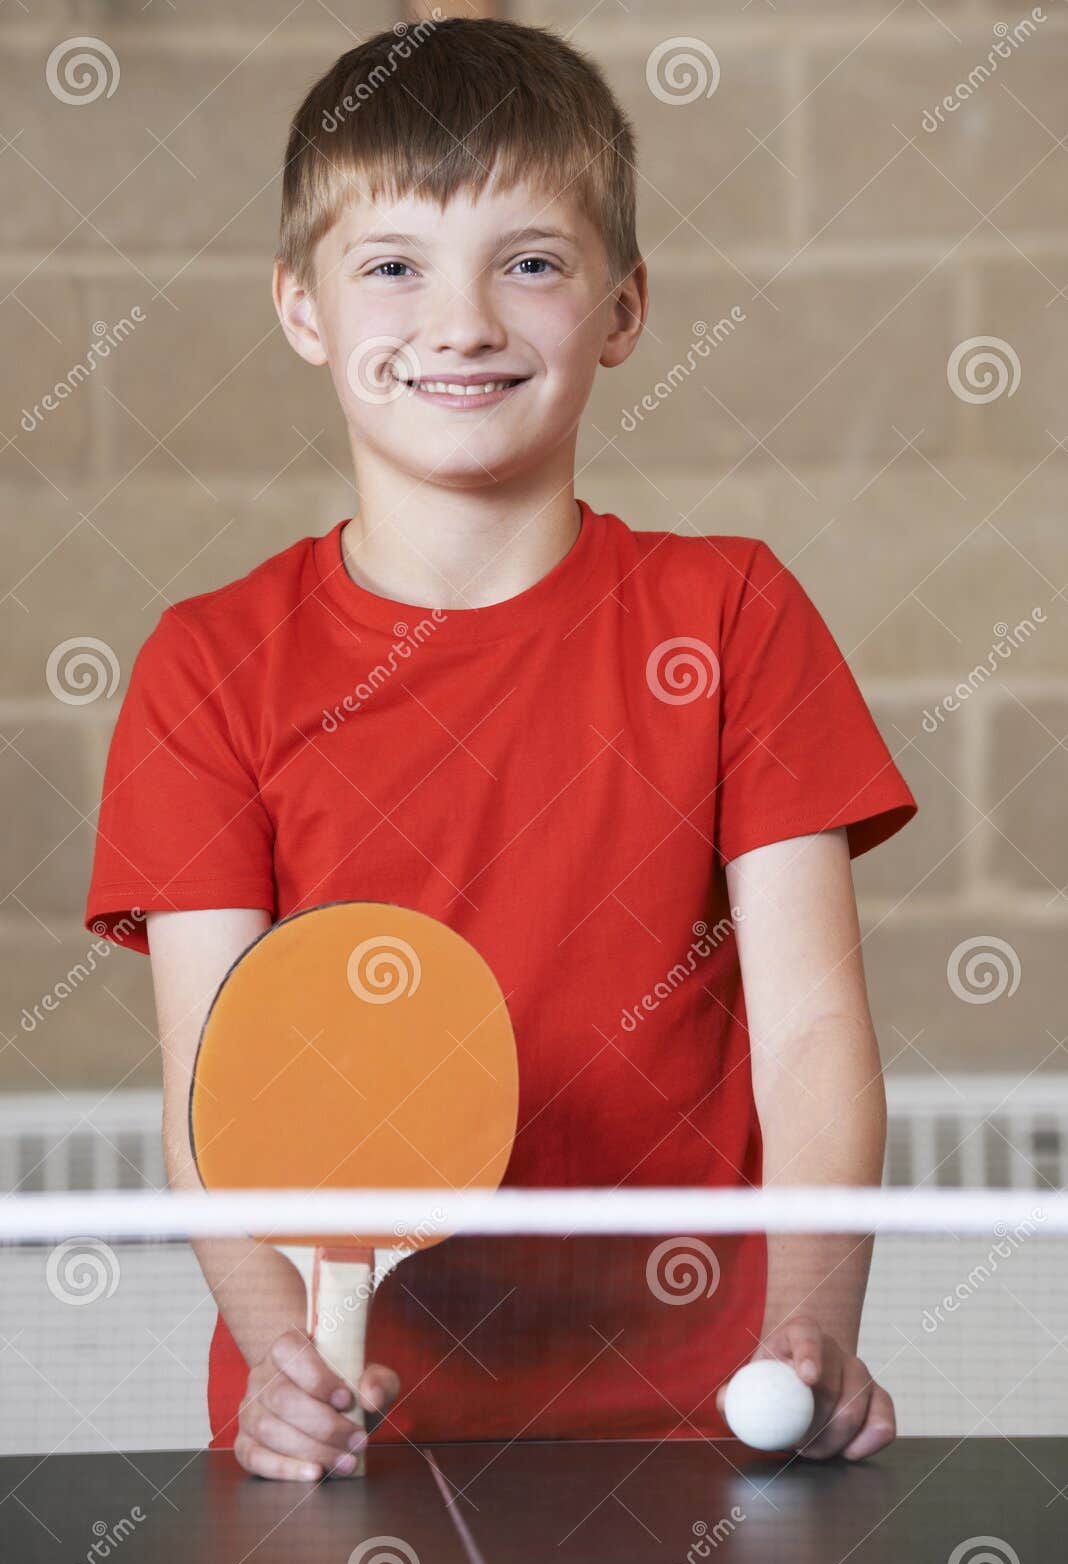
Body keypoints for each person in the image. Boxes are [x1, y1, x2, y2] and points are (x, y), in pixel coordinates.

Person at [85, 17, 916, 1482]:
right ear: (302, 307)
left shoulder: (735, 616)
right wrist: (291, 1363)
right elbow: (216, 1099)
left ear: (623, 304)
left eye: (528, 262)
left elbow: (808, 1036)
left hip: (700, 1426)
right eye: (393, 266)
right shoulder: (204, 666)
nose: (461, 322)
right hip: (365, 1441)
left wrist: (807, 1328)